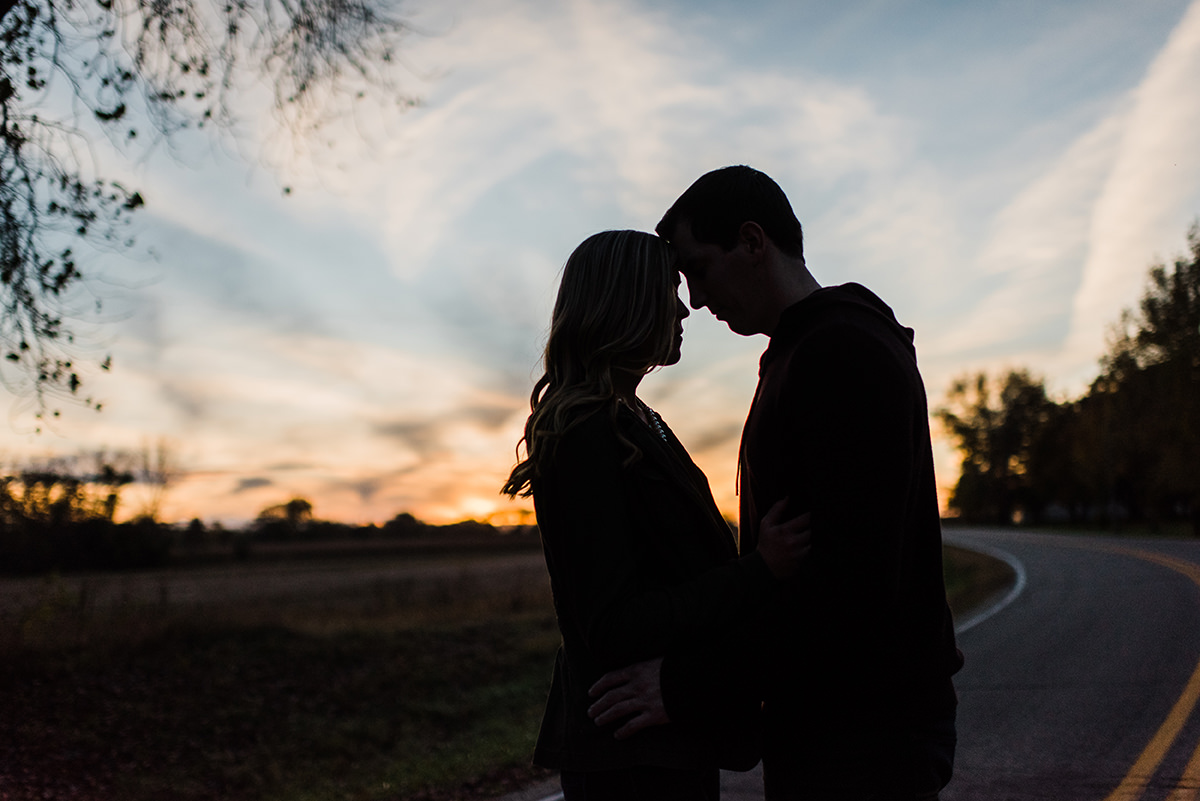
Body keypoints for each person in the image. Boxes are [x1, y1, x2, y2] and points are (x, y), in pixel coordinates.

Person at [587, 168, 964, 800]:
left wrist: (686, 685)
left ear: (753, 242)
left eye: (700, 270)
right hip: (834, 721)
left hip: (864, 734)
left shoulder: (842, 351)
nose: (697, 301)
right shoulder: (806, 350)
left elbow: (850, 587)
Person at [502, 229, 810, 801]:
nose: (682, 308)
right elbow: (615, 622)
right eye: (667, 290)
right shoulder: (585, 433)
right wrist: (760, 568)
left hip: (664, 745)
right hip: (631, 757)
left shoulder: (634, 419)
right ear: (626, 301)